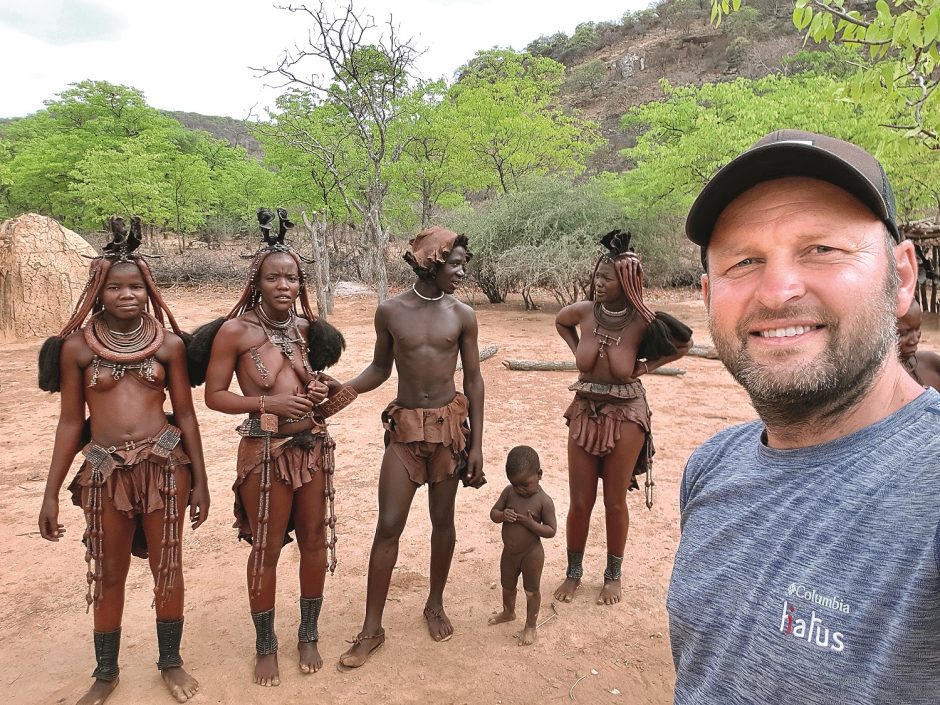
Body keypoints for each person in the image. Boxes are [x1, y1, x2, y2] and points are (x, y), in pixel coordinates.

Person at [669, 130, 940, 703]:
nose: (778, 291)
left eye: (821, 249)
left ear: (903, 277)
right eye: (744, 261)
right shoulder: (712, 467)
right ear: (707, 293)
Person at [37, 215, 209, 705]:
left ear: (149, 292)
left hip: (165, 468)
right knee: (109, 571)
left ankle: (170, 662)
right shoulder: (76, 348)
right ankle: (106, 670)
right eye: (115, 287)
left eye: (136, 286)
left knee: (167, 565)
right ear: (98, 292)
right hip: (104, 471)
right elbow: (71, 423)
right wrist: (50, 492)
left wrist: (201, 481)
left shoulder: (170, 344)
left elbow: (187, 416)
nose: (127, 295)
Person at [192, 208, 347, 687]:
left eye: (292, 278)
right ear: (256, 281)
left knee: (316, 541)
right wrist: (268, 401)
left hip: (312, 448)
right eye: (274, 277)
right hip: (265, 452)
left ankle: (307, 633)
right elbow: (213, 395)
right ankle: (265, 643)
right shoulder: (236, 332)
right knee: (267, 546)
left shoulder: (306, 331)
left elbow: (319, 389)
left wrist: (322, 389)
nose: (284, 285)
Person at [337, 226, 485, 670]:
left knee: (443, 520)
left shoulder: (463, 314)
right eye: (455, 264)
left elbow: (474, 378)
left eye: (464, 264)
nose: (462, 272)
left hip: (446, 430)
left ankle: (434, 603)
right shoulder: (390, 311)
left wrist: (477, 443)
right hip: (404, 431)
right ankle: (371, 627)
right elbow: (380, 368)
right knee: (389, 524)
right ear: (432, 263)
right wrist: (344, 391)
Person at [552, 230, 692, 606]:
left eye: (607, 278)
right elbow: (560, 322)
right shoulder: (583, 313)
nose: (599, 283)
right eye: (597, 276)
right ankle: (574, 572)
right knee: (580, 501)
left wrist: (646, 366)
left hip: (627, 414)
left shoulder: (643, 321)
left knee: (615, 500)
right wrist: (576, 350)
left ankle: (613, 577)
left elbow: (684, 343)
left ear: (626, 281)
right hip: (584, 409)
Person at [488, 445, 556, 645]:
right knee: (507, 586)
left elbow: (551, 531)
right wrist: (502, 515)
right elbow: (493, 513)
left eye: (525, 485)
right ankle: (508, 612)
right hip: (509, 553)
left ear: (539, 474)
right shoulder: (509, 493)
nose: (520, 489)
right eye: (515, 484)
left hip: (531, 554)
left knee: (531, 590)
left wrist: (531, 524)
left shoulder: (544, 501)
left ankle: (530, 626)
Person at [897, 300, 940, 390]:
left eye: (917, 329)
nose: (915, 340)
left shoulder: (932, 364)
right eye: (903, 333)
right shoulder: (870, 382)